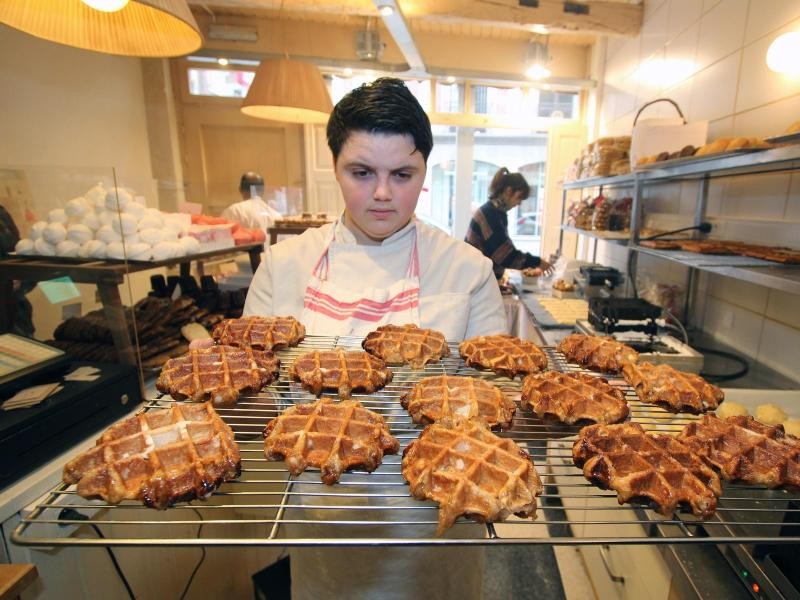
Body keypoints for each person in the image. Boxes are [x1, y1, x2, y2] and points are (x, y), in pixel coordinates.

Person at [243, 77, 505, 599]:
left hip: (440, 514)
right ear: (335, 167)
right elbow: (259, 401)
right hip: (323, 507)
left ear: (425, 171)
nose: (383, 193)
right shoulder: (284, 264)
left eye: (402, 174)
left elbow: (499, 408)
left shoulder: (467, 270)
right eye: (362, 172)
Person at [465, 167, 553, 280]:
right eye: (519, 197)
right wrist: (538, 262)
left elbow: (501, 251)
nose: (519, 203)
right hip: (476, 281)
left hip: (478, 279)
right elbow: (505, 256)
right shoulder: (490, 214)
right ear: (508, 191)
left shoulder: (495, 212)